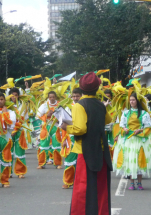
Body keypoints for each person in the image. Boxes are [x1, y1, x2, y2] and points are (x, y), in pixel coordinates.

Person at [61, 72, 112, 215]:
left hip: (85, 151)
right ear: (97, 88)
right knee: (100, 187)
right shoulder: (100, 105)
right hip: (101, 150)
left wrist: (67, 127)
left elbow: (81, 128)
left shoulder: (79, 105)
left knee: (82, 188)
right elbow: (107, 120)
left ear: (81, 88)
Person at [113, 93, 151, 190]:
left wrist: (140, 130)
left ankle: (139, 183)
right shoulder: (125, 113)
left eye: (133, 100)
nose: (131, 102)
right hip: (128, 139)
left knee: (139, 161)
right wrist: (124, 129)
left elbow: (148, 127)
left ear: (137, 101)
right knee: (129, 160)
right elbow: (121, 125)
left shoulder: (144, 113)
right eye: (130, 100)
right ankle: (131, 183)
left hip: (139, 140)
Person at [61, 88, 82, 189]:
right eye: (73, 96)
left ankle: (80, 182)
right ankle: (68, 181)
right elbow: (64, 124)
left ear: (81, 96)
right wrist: (64, 139)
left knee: (82, 161)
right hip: (70, 137)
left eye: (77, 96)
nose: (75, 98)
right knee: (69, 159)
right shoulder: (68, 108)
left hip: (82, 136)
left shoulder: (84, 106)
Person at [37, 91, 62, 169]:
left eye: (53, 97)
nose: (51, 98)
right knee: (44, 146)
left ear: (55, 97)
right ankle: (41, 163)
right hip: (46, 127)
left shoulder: (59, 105)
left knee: (57, 146)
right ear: (48, 97)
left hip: (56, 127)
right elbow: (38, 116)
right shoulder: (44, 105)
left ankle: (58, 163)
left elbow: (63, 116)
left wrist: (56, 118)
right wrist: (47, 115)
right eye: (50, 97)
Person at [9, 88, 28, 178]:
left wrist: (16, 130)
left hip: (19, 131)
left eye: (16, 95)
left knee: (20, 152)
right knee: (8, 152)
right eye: (12, 95)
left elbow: (22, 119)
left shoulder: (22, 106)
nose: (14, 97)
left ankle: (20, 171)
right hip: (8, 132)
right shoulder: (6, 106)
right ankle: (8, 172)